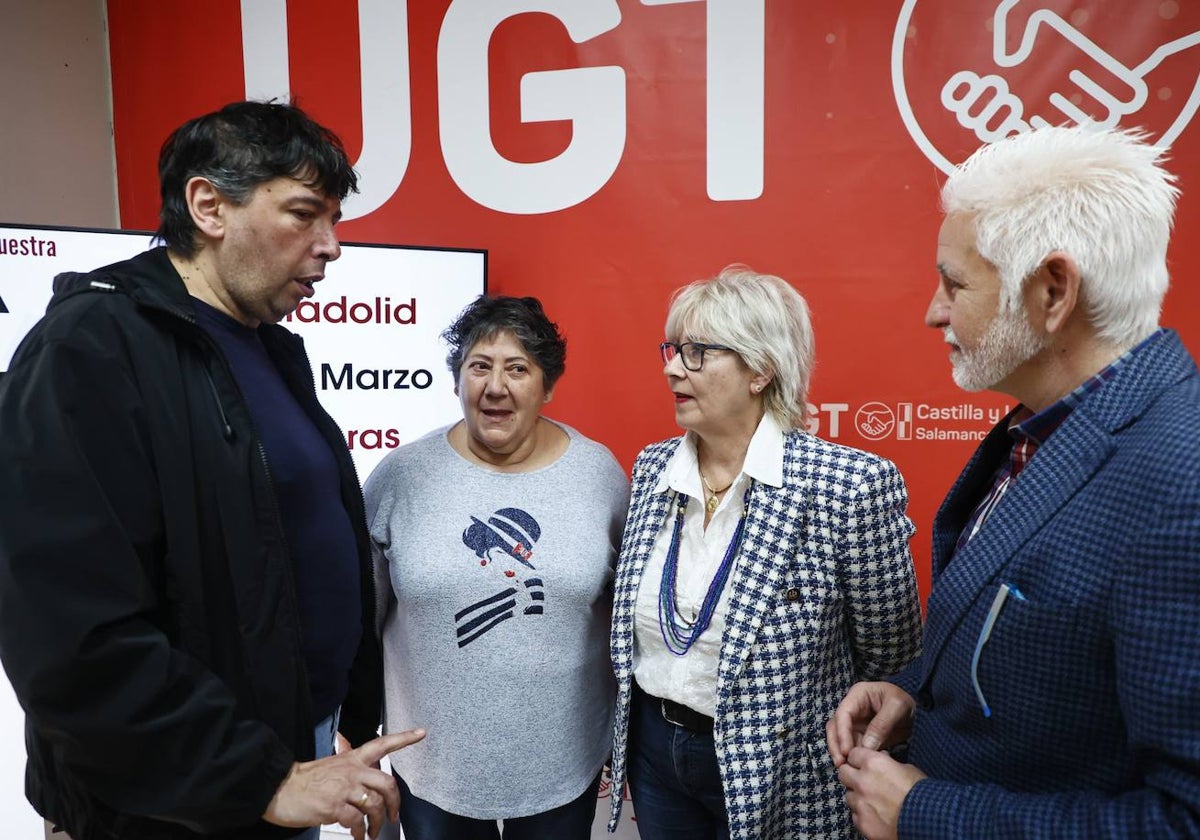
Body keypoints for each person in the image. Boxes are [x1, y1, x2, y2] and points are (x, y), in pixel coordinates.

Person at [0, 101, 424, 840]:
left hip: (283, 759)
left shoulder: (268, 347)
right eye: (304, 214)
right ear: (208, 206)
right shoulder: (90, 347)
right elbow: (71, 635)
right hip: (171, 798)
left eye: (334, 221)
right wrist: (253, 776)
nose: (331, 247)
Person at [829, 125, 1200, 839]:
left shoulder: (1178, 489)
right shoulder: (1051, 424)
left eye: (955, 283)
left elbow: (1182, 820)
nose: (934, 311)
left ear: (1053, 291)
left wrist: (925, 813)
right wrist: (915, 692)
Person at [607, 267, 923, 840]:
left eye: (698, 352)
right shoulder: (654, 467)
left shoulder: (847, 486)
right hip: (655, 751)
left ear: (760, 369)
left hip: (784, 770)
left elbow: (891, 660)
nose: (672, 367)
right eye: (673, 349)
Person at [362, 295, 629, 840]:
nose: (495, 386)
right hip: (433, 763)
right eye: (479, 366)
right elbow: (362, 619)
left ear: (547, 387)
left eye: (518, 369)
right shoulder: (400, 476)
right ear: (457, 380)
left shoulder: (600, 476)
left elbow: (625, 618)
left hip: (564, 761)